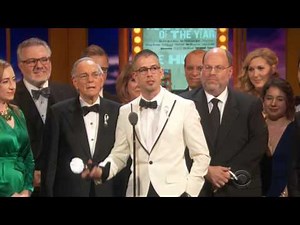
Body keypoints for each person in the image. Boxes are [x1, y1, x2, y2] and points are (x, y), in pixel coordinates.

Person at [83, 49, 210, 197]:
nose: (150, 74)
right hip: (138, 190)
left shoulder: (183, 106)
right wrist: (102, 170)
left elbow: (202, 156)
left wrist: (190, 192)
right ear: (135, 76)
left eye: (154, 68)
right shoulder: (126, 111)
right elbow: (119, 154)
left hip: (175, 192)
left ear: (161, 73)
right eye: (143, 70)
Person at [181, 47, 268, 196]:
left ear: (229, 72)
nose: (212, 72)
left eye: (218, 67)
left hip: (237, 187)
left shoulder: (249, 104)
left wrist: (225, 174)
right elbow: (175, 145)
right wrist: (206, 170)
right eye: (207, 67)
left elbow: (258, 143)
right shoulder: (183, 103)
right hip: (196, 188)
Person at [41, 57, 127, 197]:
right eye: (84, 76)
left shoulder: (118, 111)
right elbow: (50, 162)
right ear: (75, 82)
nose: (90, 80)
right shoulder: (58, 113)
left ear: (102, 79)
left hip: (108, 191)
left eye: (95, 75)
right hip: (70, 192)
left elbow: (122, 155)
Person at [13, 37, 78, 196]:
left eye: (44, 59)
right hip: (26, 187)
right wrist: (27, 174)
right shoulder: (10, 98)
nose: (39, 66)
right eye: (32, 61)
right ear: (20, 65)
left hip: (64, 185)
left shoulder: (69, 93)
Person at [0, 59, 34, 197]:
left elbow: (28, 156)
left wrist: (27, 189)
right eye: (5, 81)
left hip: (21, 189)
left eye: (13, 80)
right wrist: (9, 192)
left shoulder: (18, 113)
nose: (12, 86)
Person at [261, 77, 296, 197]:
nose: (273, 103)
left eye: (280, 99)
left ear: (288, 102)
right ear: (263, 100)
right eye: (269, 98)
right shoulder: (255, 128)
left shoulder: (296, 130)